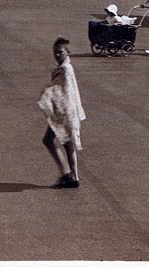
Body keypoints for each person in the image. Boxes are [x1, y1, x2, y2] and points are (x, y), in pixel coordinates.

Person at [39, 37, 85, 189]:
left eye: (60, 52)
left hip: (64, 113)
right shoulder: (67, 68)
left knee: (52, 141)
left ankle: (68, 174)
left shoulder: (64, 70)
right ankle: (72, 176)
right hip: (68, 112)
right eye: (55, 53)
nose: (57, 55)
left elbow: (56, 89)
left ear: (68, 52)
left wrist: (45, 95)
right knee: (67, 144)